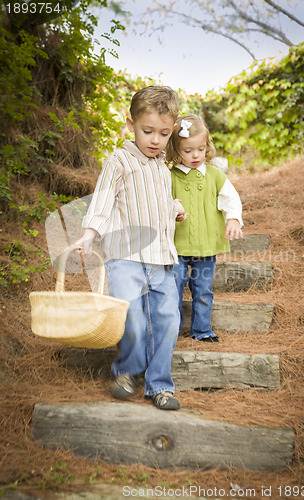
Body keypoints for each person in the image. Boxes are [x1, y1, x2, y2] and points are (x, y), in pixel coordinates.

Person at [76, 86, 187, 410]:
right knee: (133, 318)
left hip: (161, 259)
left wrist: (175, 208)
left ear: (172, 131)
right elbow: (103, 200)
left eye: (164, 134)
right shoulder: (120, 161)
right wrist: (88, 233)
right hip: (125, 256)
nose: (155, 140)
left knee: (167, 319)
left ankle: (160, 385)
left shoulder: (161, 168)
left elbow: (159, 203)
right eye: (147, 131)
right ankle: (126, 372)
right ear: (131, 124)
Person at [166, 114, 243, 342]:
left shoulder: (215, 176)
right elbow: (160, 203)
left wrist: (233, 220)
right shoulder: (168, 177)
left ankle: (202, 330)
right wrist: (173, 211)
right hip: (176, 247)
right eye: (188, 151)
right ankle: (172, 329)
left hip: (206, 247)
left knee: (202, 290)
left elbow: (232, 199)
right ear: (175, 149)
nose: (195, 155)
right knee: (173, 288)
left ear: (206, 147)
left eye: (200, 149)